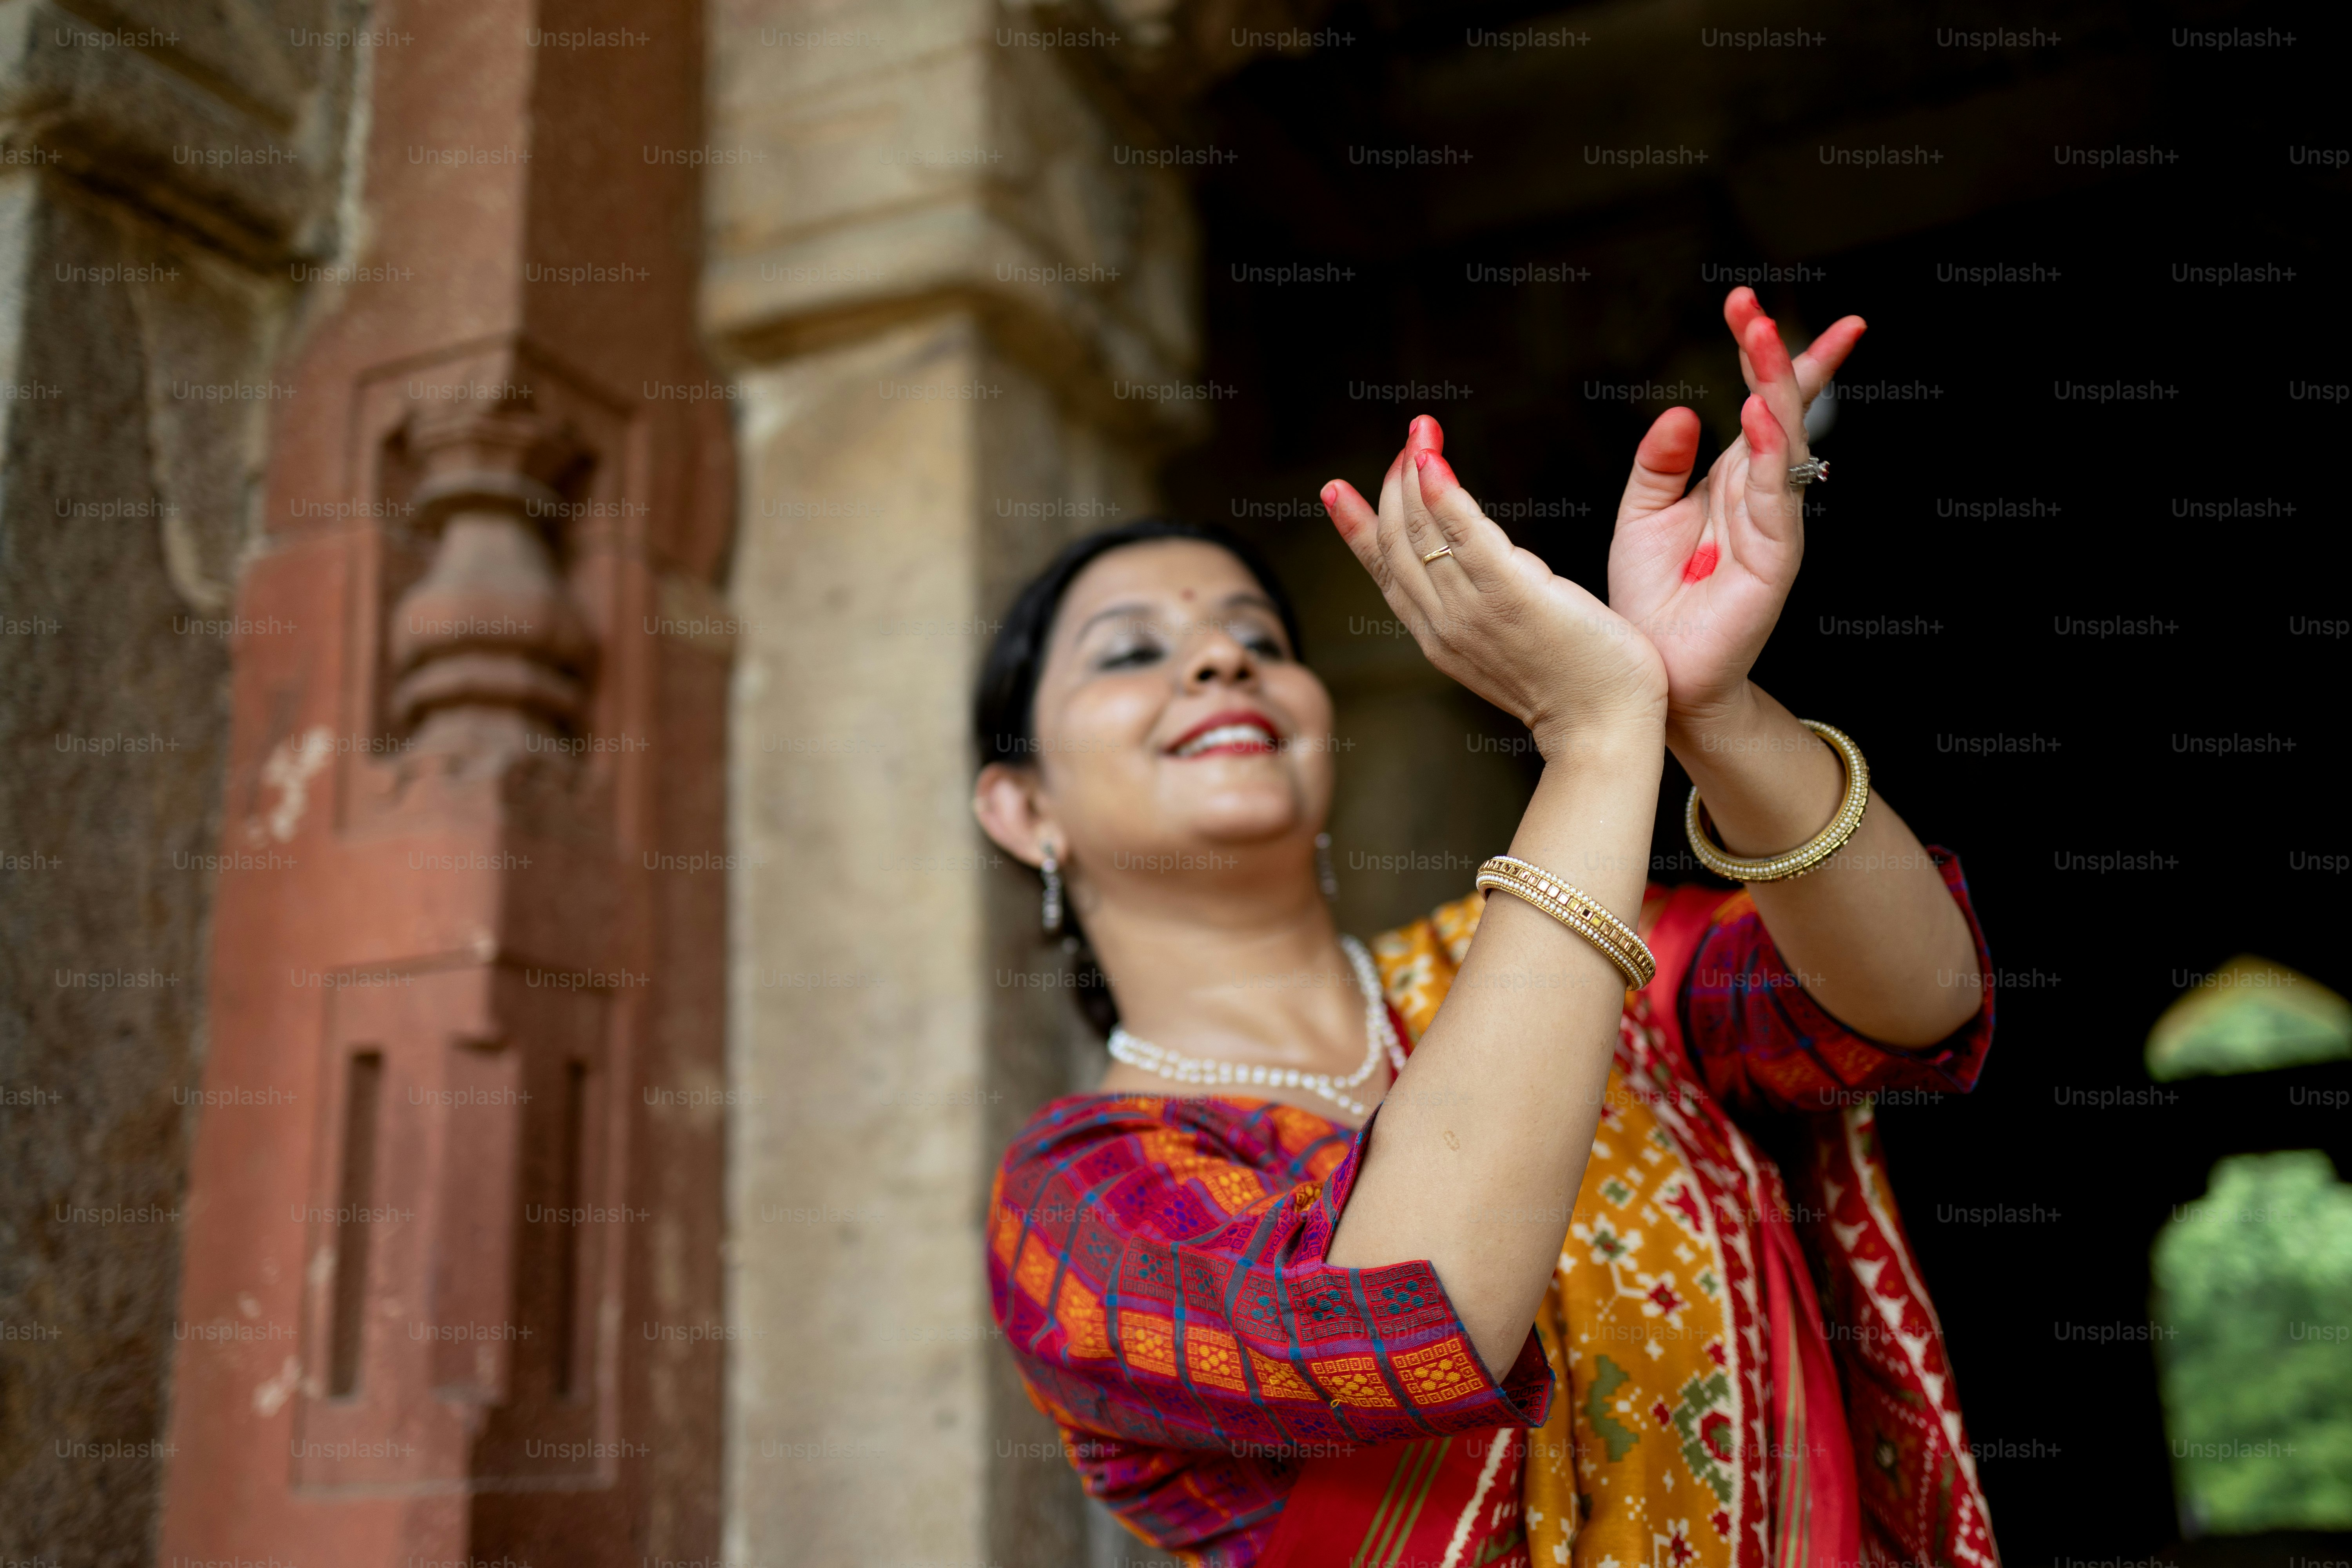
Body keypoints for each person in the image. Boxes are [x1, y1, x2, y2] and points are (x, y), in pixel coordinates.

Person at [972, 289, 1998, 1567]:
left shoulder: (1560, 972)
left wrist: (1708, 710)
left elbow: (1919, 996)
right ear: (1022, 809)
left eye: (1256, 638)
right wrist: (1593, 737)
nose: (1220, 665)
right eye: (1133, 653)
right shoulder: (1076, 1213)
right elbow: (1407, 1321)